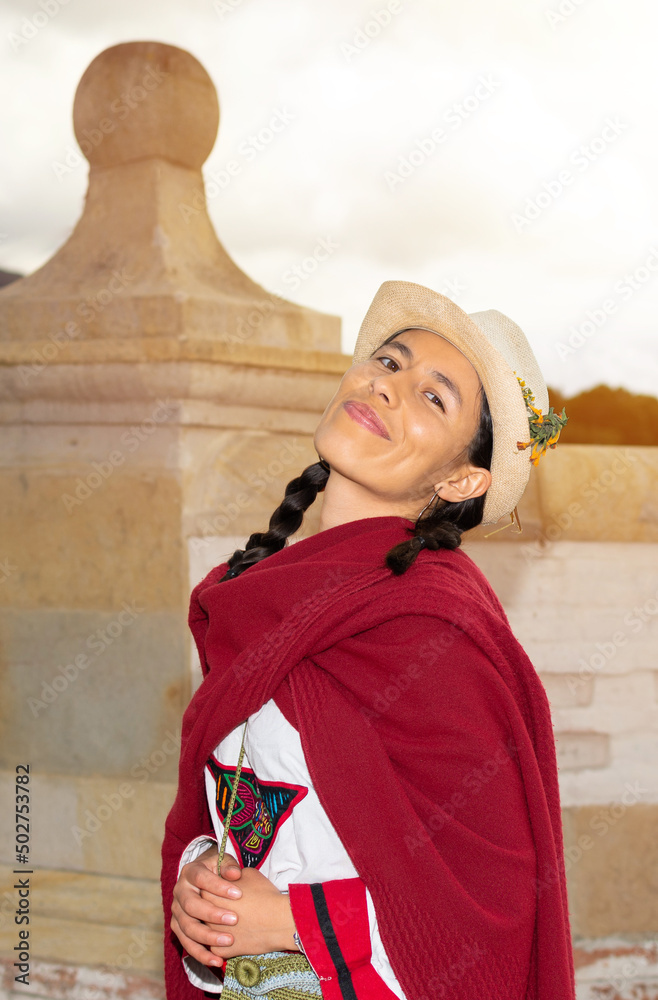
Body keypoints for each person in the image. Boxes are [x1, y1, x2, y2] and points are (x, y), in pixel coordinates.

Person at [161, 280, 575, 1000]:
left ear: (463, 479)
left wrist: (295, 922)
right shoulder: (253, 591)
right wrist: (205, 883)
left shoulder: (433, 631)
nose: (389, 389)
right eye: (389, 363)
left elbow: (490, 912)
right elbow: (249, 812)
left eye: (433, 397)